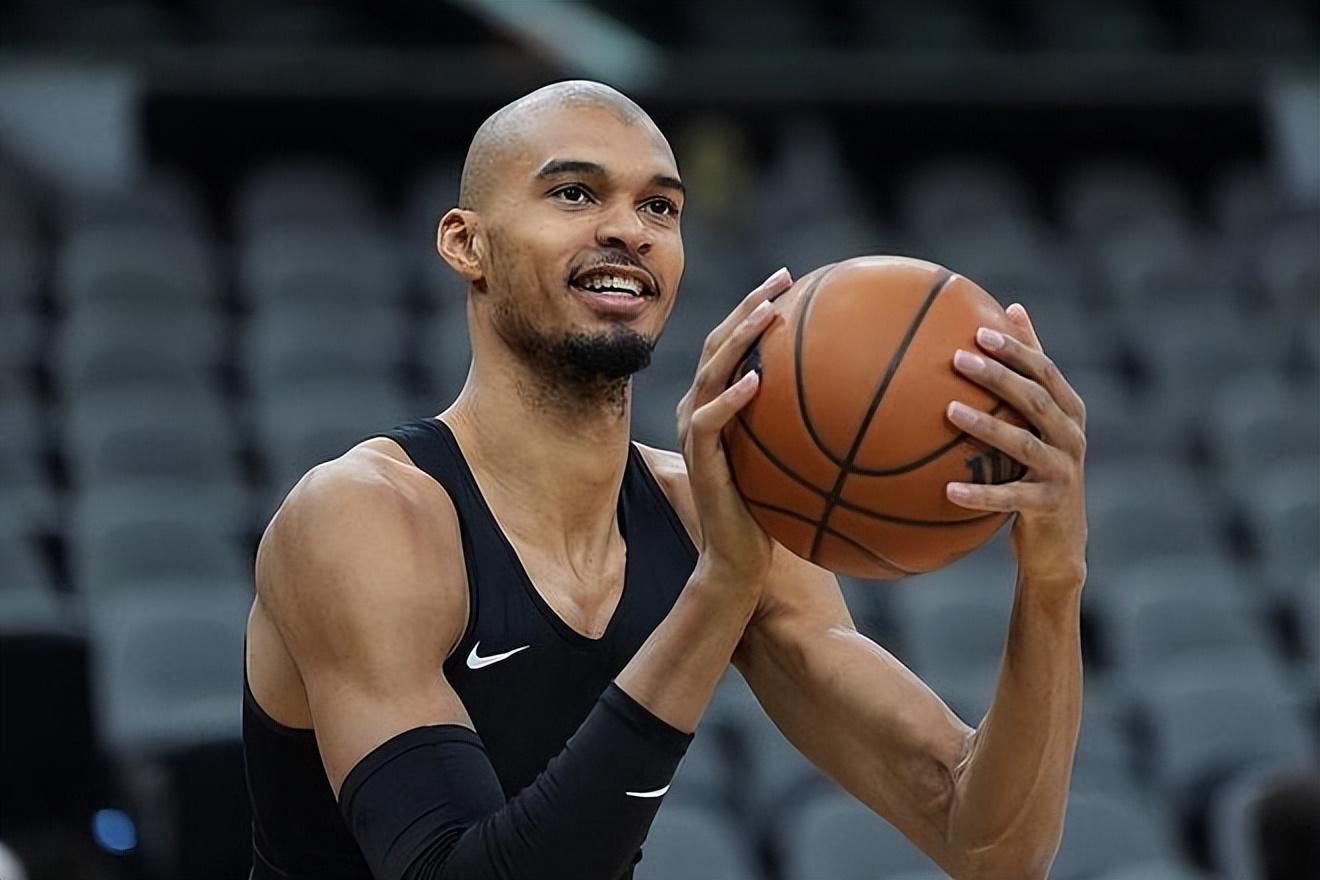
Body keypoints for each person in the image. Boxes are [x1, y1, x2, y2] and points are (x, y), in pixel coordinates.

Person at [243, 80, 1090, 880]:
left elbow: (989, 848)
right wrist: (720, 590)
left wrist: (1053, 579)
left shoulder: (709, 518)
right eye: (575, 193)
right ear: (468, 243)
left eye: (660, 207)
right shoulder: (363, 519)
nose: (630, 230)